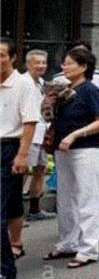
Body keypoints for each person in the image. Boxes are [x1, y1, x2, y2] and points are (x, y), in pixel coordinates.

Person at [42, 47, 99, 269]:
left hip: (85, 150)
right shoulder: (64, 91)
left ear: (83, 66)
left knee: (87, 198)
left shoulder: (90, 90)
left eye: (70, 63)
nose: (64, 67)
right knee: (65, 198)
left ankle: (89, 248)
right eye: (64, 63)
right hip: (63, 151)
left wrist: (75, 134)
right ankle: (68, 242)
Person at [0, 39, 39, 279]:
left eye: (2, 55)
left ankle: (6, 268)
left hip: (10, 148)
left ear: (13, 58)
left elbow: (30, 122)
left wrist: (22, 155)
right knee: (12, 204)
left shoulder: (23, 84)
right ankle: (15, 244)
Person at [21, 50, 55, 222]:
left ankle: (35, 209)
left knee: (40, 169)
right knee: (22, 172)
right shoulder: (22, 82)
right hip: (28, 134)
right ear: (28, 64)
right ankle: (16, 213)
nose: (41, 66)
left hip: (42, 132)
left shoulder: (42, 82)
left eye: (44, 62)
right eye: (38, 62)